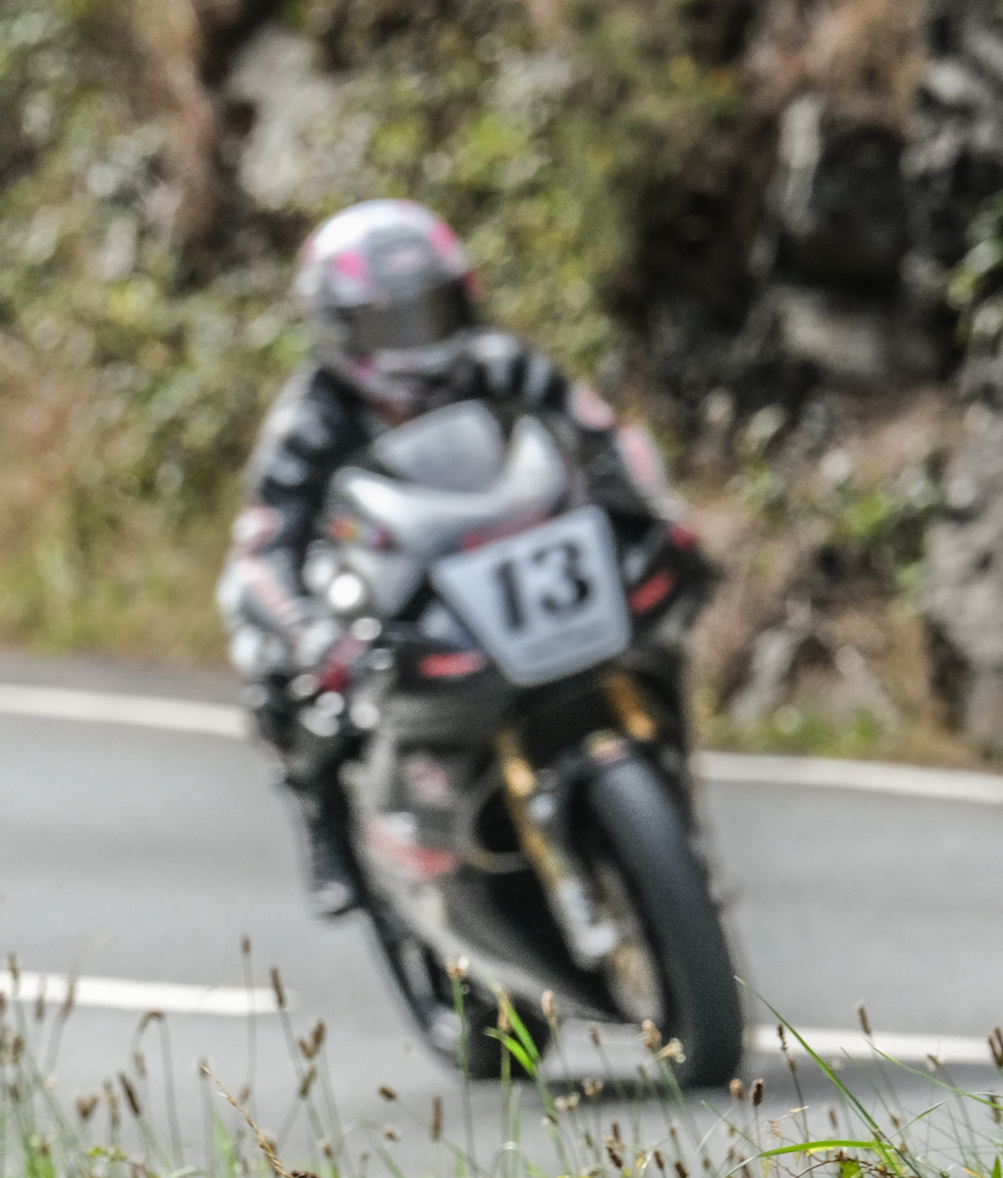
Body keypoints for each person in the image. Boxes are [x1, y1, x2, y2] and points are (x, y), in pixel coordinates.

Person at [217, 198, 678, 916]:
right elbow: (262, 546)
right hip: (385, 589)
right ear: (341, 331)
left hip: (519, 552)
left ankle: (662, 766)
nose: (419, 345)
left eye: (432, 313)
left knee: (660, 618)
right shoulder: (312, 417)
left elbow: (602, 434)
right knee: (270, 667)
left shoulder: (501, 364)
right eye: (393, 324)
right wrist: (309, 633)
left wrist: (643, 511)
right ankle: (324, 821)